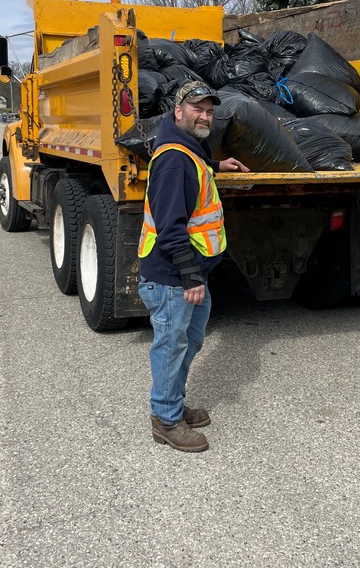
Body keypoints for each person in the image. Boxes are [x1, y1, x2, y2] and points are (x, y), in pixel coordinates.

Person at [138, 80, 250, 452]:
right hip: (173, 277)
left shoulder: (189, 151)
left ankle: (173, 403)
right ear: (178, 111)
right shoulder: (173, 160)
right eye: (197, 109)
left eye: (209, 110)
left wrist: (217, 164)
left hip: (189, 275)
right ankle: (166, 420)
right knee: (171, 345)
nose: (205, 115)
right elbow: (170, 229)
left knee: (190, 339)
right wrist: (190, 276)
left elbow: (192, 176)